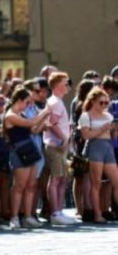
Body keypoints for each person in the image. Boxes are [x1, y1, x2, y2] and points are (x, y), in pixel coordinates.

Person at [3, 88, 51, 230]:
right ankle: (15, 217)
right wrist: (45, 111)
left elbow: (34, 130)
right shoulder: (10, 115)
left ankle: (28, 216)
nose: (29, 105)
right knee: (19, 186)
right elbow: (31, 123)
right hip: (19, 151)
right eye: (27, 102)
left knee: (31, 185)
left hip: (29, 149)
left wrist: (43, 121)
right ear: (19, 101)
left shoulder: (21, 114)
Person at [41, 73, 76, 225]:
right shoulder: (55, 102)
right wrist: (64, 138)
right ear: (56, 86)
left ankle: (59, 211)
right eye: (64, 82)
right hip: (56, 146)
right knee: (56, 179)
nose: (68, 84)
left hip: (60, 146)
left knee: (62, 179)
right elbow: (51, 123)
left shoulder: (58, 101)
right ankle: (55, 213)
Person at [78, 87, 118, 223]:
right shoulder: (86, 116)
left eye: (107, 103)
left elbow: (113, 135)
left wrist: (114, 129)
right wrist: (102, 129)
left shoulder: (108, 116)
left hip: (108, 147)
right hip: (95, 147)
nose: (104, 105)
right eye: (101, 102)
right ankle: (97, 214)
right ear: (93, 101)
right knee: (96, 184)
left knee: (115, 181)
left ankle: (106, 210)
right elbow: (86, 135)